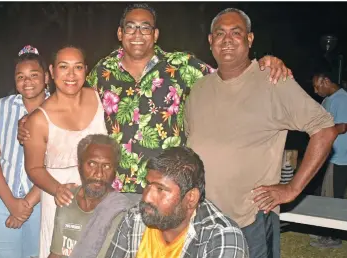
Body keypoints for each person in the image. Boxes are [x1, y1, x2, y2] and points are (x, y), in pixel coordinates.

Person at [18, 3, 292, 202]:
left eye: (145, 27)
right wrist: (32, 116)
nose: (137, 34)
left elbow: (228, 76)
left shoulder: (181, 65)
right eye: (131, 27)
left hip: (167, 187)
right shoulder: (102, 72)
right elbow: (70, 97)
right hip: (116, 187)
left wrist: (265, 63)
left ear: (156, 34)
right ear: (120, 33)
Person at [185, 8, 338, 258]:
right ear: (210, 42)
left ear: (250, 40)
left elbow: (323, 130)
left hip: (251, 217)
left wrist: (292, 189)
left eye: (236, 32)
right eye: (220, 34)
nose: (228, 40)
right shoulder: (198, 90)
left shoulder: (273, 81)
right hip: (205, 221)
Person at [95, 146, 249, 258]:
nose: (147, 197)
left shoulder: (223, 237)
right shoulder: (135, 219)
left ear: (191, 198)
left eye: (161, 189)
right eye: (148, 184)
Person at [23, 45, 108, 258]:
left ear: (86, 71)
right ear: (52, 72)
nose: (71, 75)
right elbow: (33, 168)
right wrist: (57, 189)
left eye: (77, 67)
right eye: (63, 67)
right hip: (61, 199)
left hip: (99, 195)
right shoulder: (38, 119)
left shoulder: (100, 99)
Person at [38, 134, 131, 258]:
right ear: (80, 166)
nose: (99, 174)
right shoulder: (67, 199)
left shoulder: (120, 212)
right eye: (92, 164)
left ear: (115, 171)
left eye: (107, 166)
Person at [0, 46, 48, 258]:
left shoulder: (58, 110)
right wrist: (11, 203)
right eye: (21, 77)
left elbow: (58, 165)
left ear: (46, 77)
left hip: (43, 199)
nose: (27, 82)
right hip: (2, 196)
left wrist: (27, 204)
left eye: (34, 75)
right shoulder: (0, 108)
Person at [311, 70, 347, 248]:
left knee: (333, 196)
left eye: (318, 86)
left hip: (339, 157)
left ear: (326, 80)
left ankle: (334, 237)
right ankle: (326, 230)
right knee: (326, 194)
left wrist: (324, 132)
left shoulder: (342, 99)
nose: (316, 91)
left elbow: (343, 127)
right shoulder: (327, 100)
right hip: (326, 155)